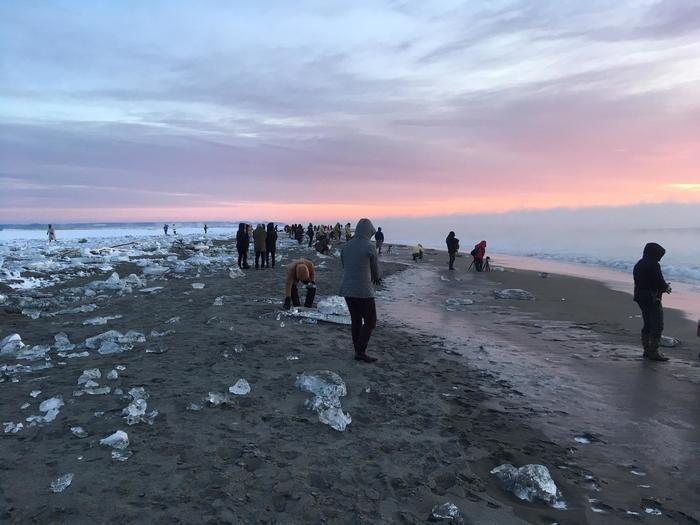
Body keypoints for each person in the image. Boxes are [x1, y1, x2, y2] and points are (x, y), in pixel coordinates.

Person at [340, 218, 381, 363]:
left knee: (356, 320)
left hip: (347, 289)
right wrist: (376, 277)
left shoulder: (346, 246)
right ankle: (360, 351)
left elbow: (344, 264)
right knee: (370, 321)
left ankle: (357, 349)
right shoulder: (369, 246)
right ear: (368, 231)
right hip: (363, 290)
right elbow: (374, 265)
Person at [633, 242, 672, 361]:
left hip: (640, 296)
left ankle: (646, 349)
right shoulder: (654, 265)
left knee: (647, 324)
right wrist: (666, 287)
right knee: (657, 325)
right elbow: (659, 282)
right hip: (652, 298)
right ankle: (653, 351)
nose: (660, 258)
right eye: (659, 255)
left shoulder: (639, 264)